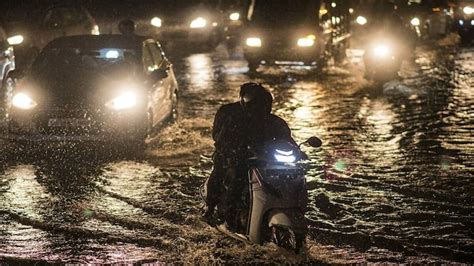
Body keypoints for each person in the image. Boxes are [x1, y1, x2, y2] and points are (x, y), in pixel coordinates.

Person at [204, 82, 296, 226]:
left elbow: (286, 138)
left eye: (264, 105)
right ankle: (212, 207)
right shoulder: (228, 114)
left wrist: (297, 150)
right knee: (229, 173)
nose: (260, 108)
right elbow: (218, 136)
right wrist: (232, 149)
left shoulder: (274, 121)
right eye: (256, 104)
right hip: (232, 157)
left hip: (263, 159)